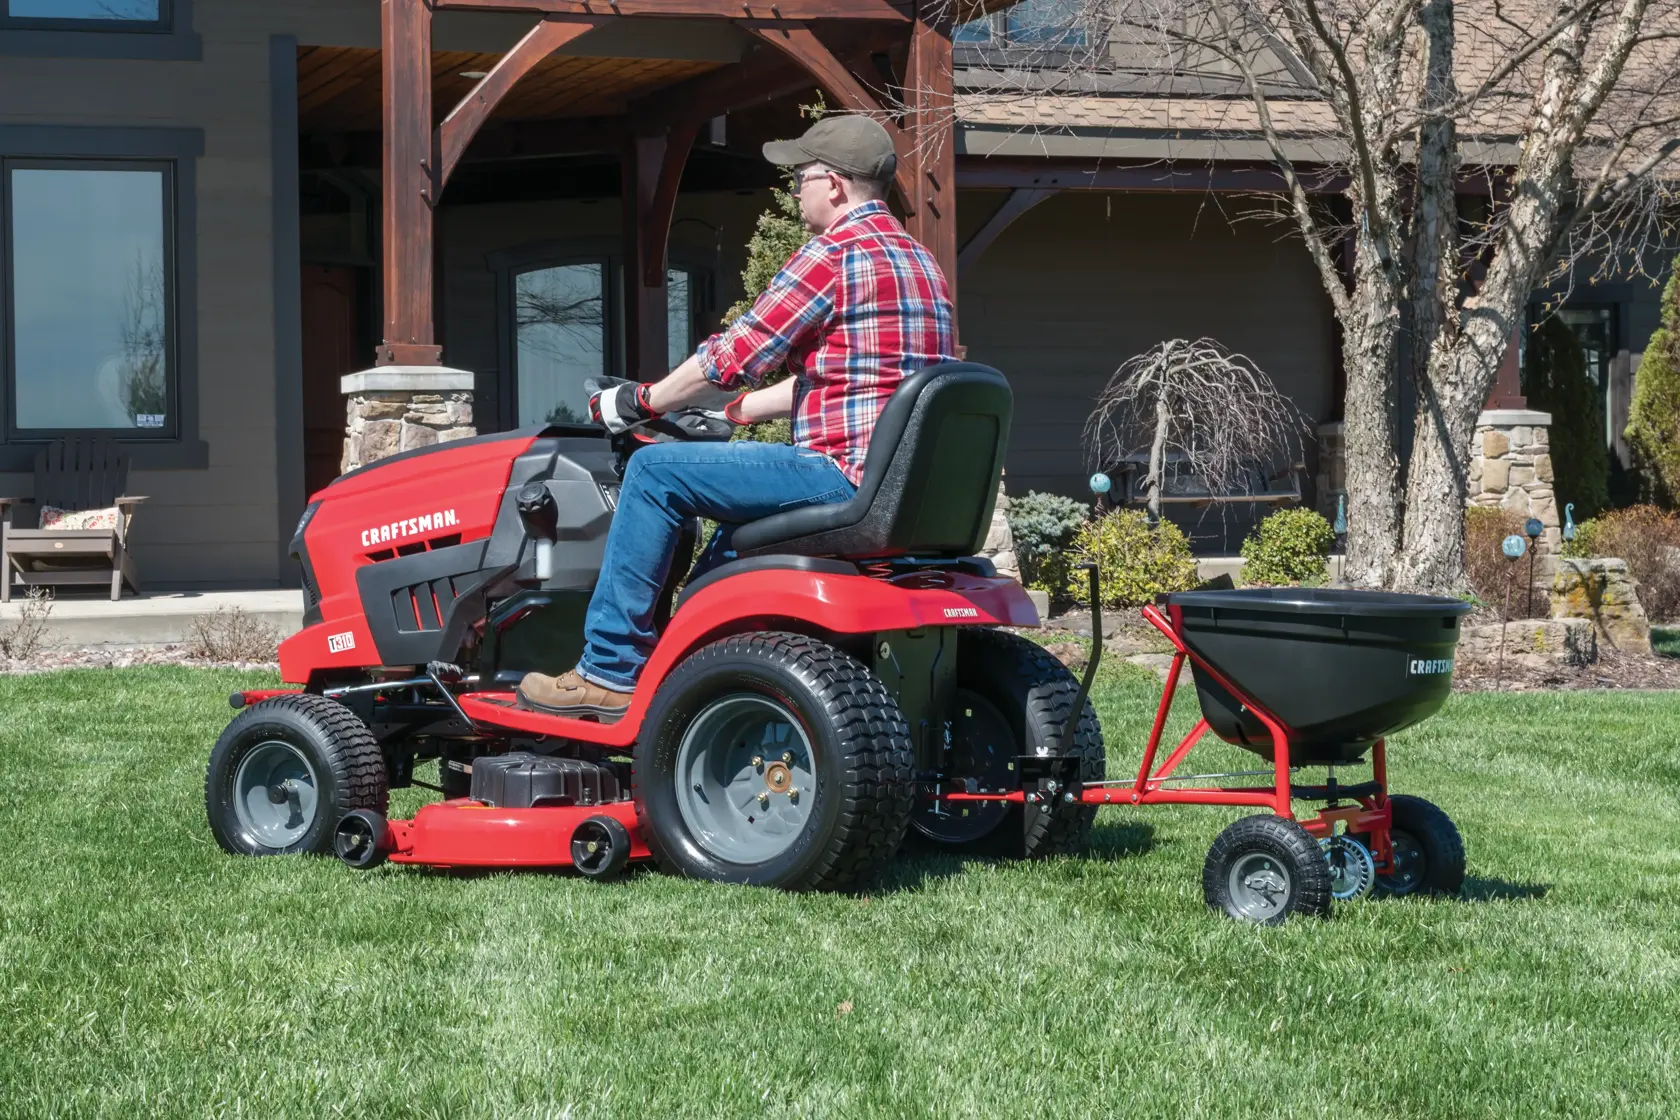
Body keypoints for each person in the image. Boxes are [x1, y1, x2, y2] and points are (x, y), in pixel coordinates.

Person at [517, 114, 955, 719]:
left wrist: (639, 401)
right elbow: (876, 377)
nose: (794, 190)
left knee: (653, 472)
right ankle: (703, 672)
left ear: (833, 184)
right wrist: (743, 409)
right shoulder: (920, 264)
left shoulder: (832, 255)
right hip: (898, 486)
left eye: (799, 177)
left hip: (840, 474)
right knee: (726, 537)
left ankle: (609, 670)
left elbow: (732, 355)